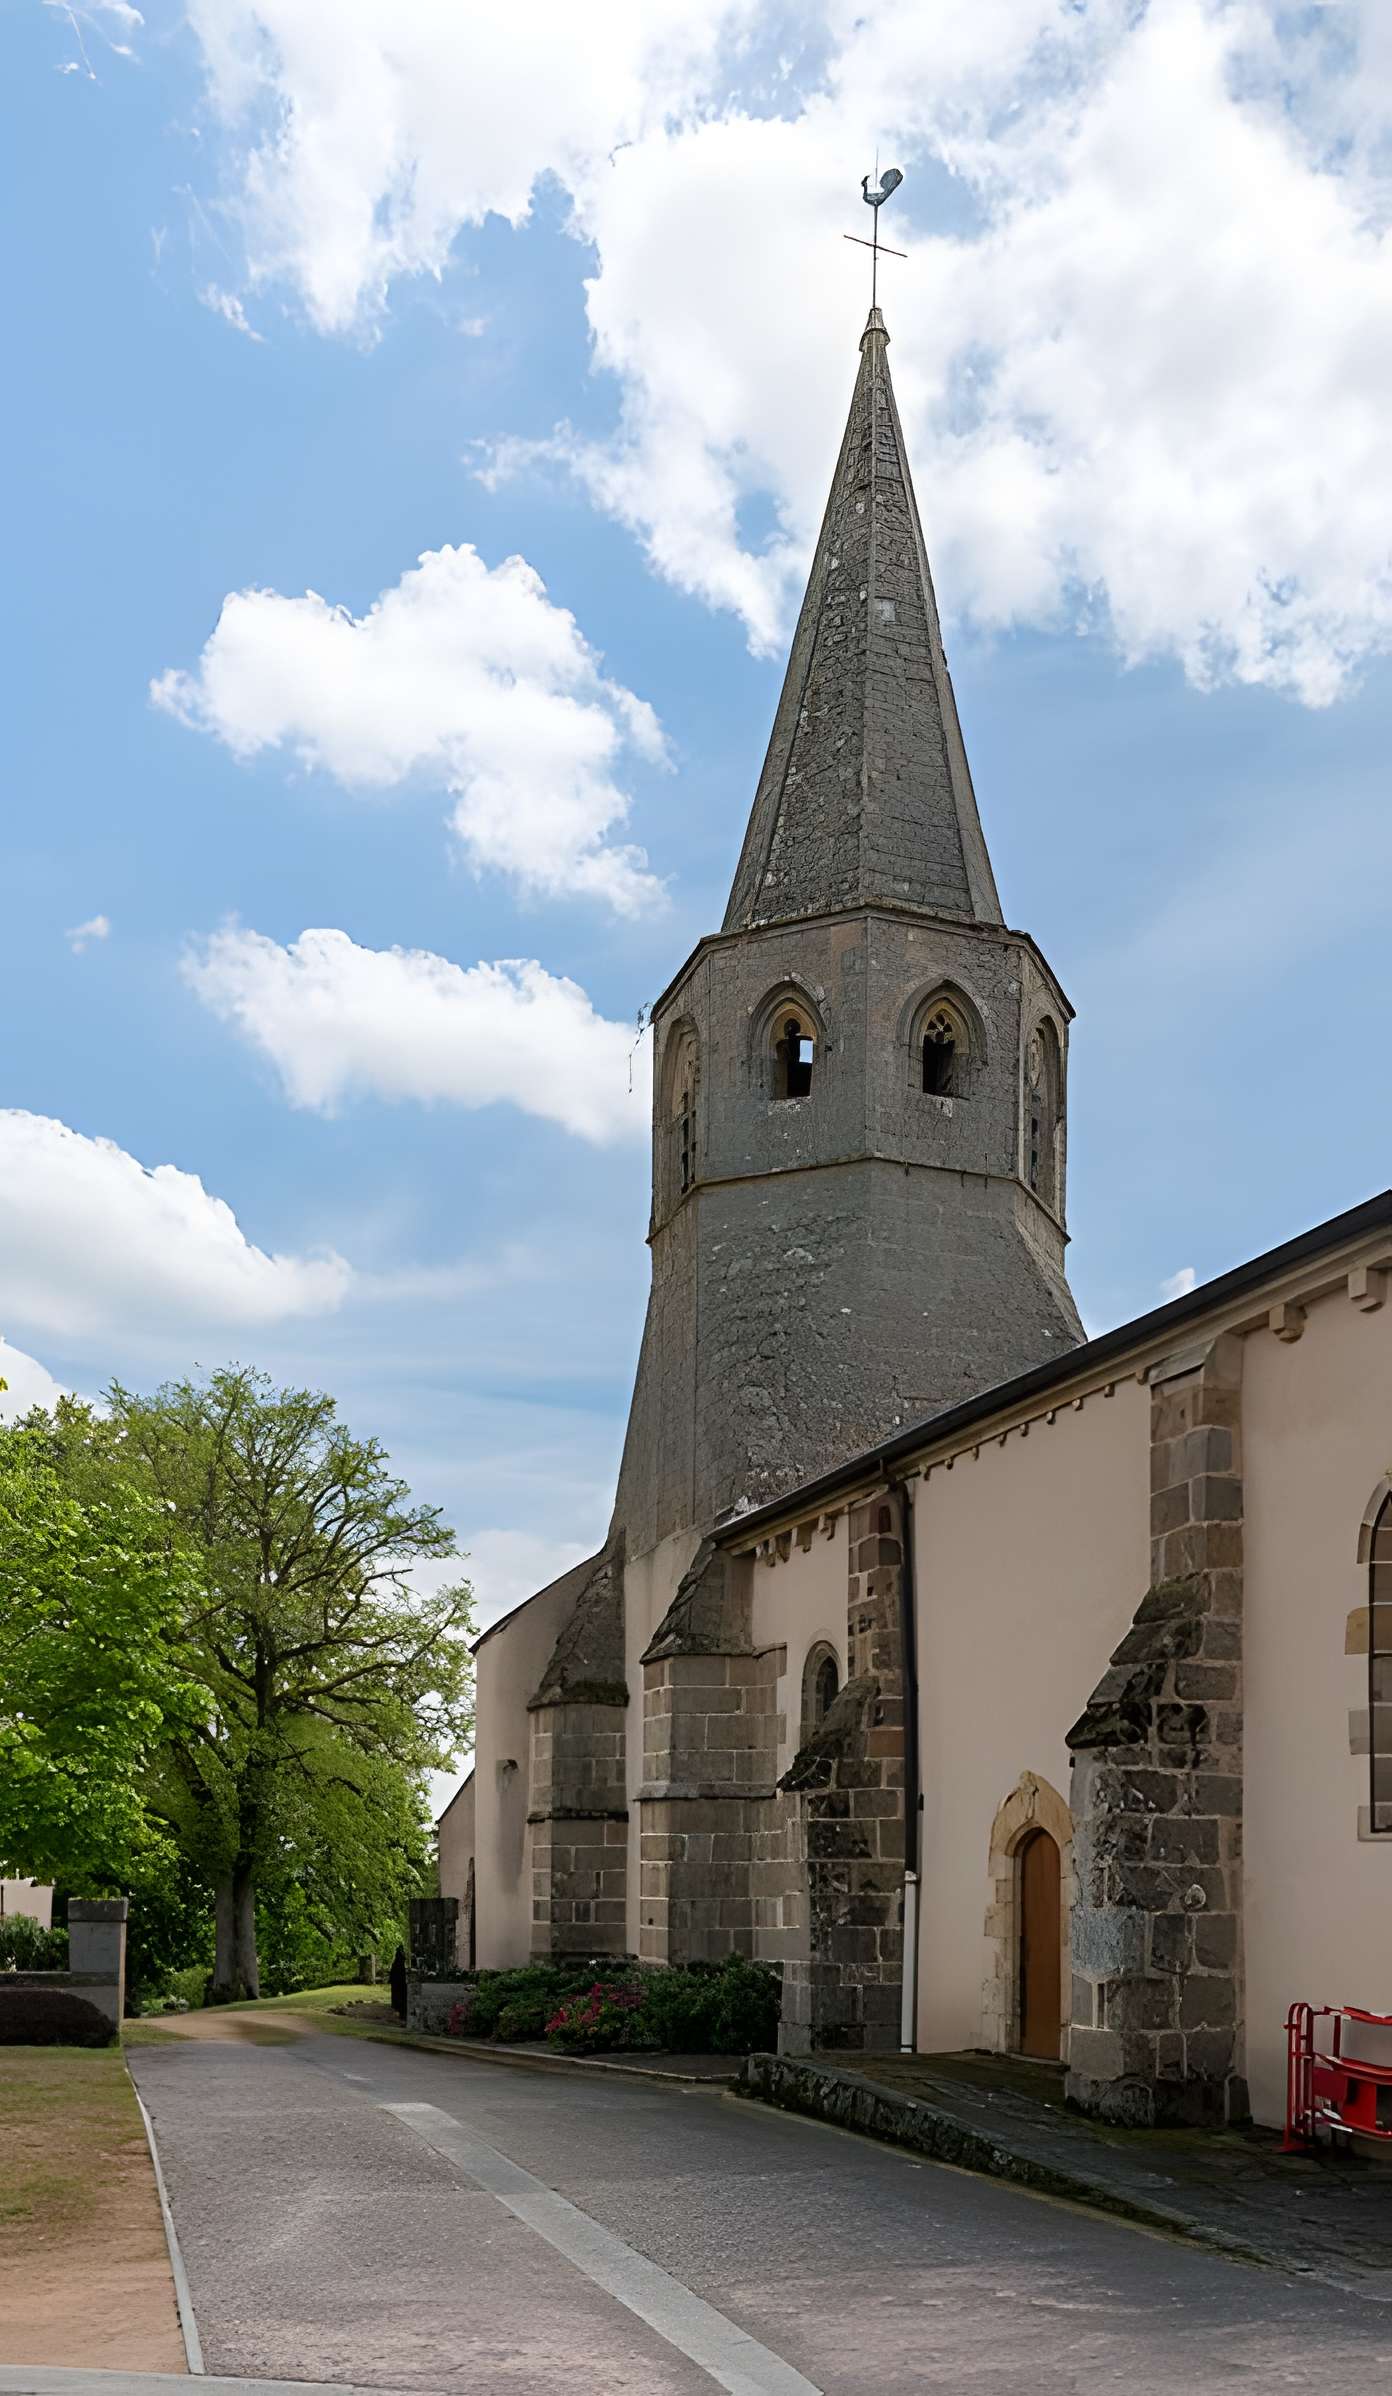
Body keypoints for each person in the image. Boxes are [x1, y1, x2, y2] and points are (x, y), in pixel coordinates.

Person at [389, 1942, 407, 2022]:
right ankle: (401, 2014)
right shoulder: (399, 1962)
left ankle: (401, 2013)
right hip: (399, 1983)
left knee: (399, 1998)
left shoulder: (396, 1962)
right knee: (400, 1998)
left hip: (397, 1983)